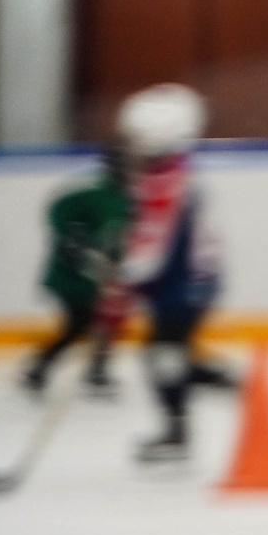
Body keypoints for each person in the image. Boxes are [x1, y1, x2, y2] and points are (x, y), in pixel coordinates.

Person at [111, 84, 234, 465]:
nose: (128, 145)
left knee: (162, 353)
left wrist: (121, 288)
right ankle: (210, 381)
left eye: (134, 137)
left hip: (186, 286)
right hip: (183, 283)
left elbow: (151, 245)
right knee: (166, 353)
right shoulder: (165, 174)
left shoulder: (166, 182)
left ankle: (178, 431)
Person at [22, 139, 135, 401]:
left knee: (109, 318)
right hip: (72, 274)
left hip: (95, 273)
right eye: (123, 165)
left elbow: (118, 236)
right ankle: (39, 369)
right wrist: (71, 237)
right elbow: (57, 209)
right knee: (80, 324)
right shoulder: (93, 191)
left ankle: (94, 370)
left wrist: (117, 266)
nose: (128, 171)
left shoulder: (124, 198)